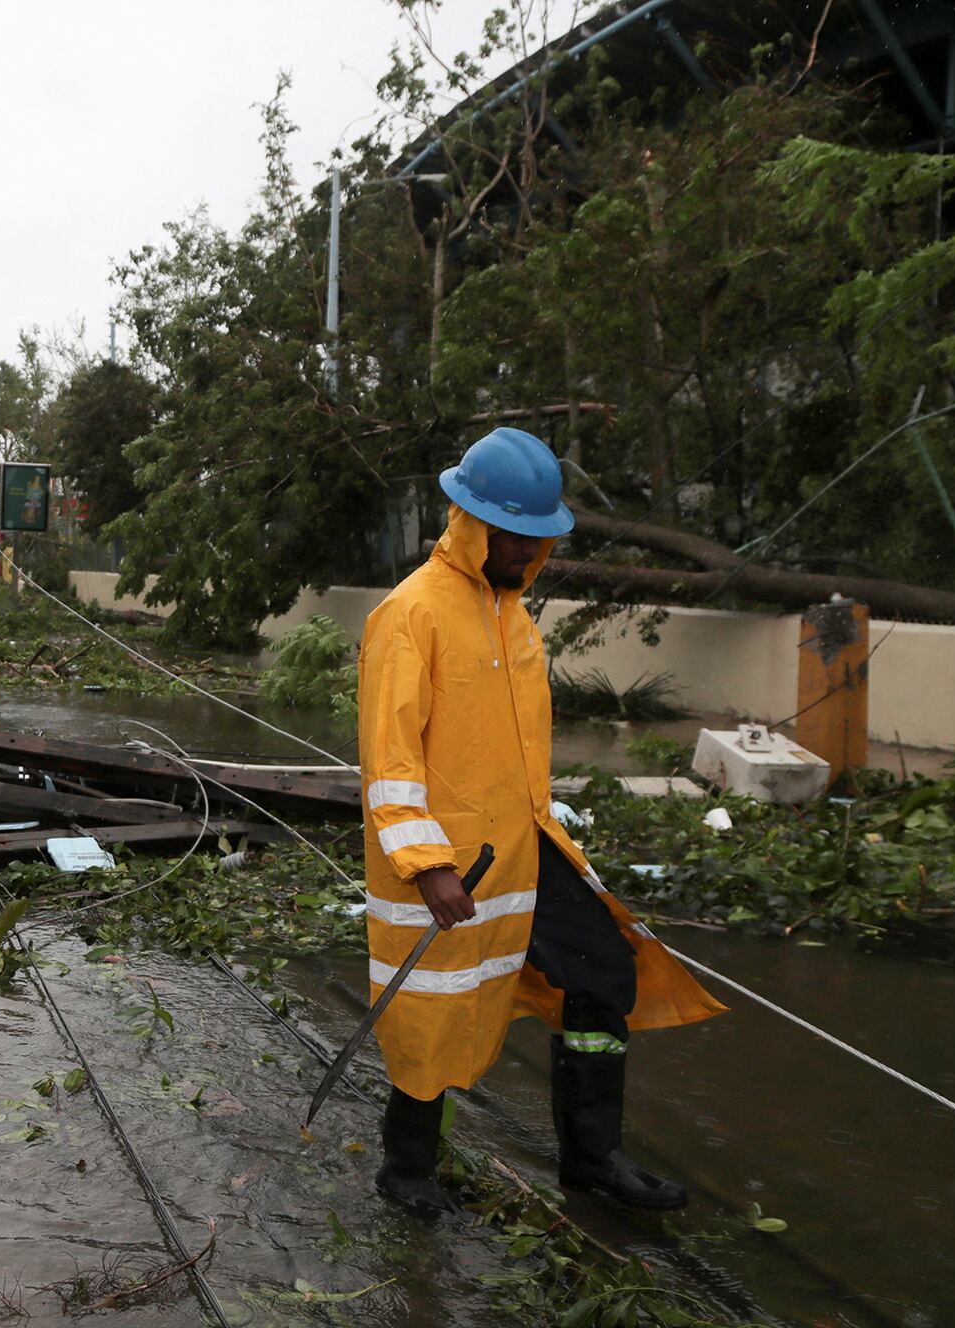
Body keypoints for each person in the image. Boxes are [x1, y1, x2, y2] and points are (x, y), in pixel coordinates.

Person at [356, 427, 726, 1220]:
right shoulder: (410, 614)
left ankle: (592, 1158)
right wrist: (429, 864)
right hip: (449, 860)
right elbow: (390, 757)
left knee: (603, 972)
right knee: (434, 1005)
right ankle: (405, 1169)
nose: (526, 552)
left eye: (537, 538)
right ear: (471, 523)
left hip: (524, 847)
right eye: (512, 536)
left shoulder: (514, 618)